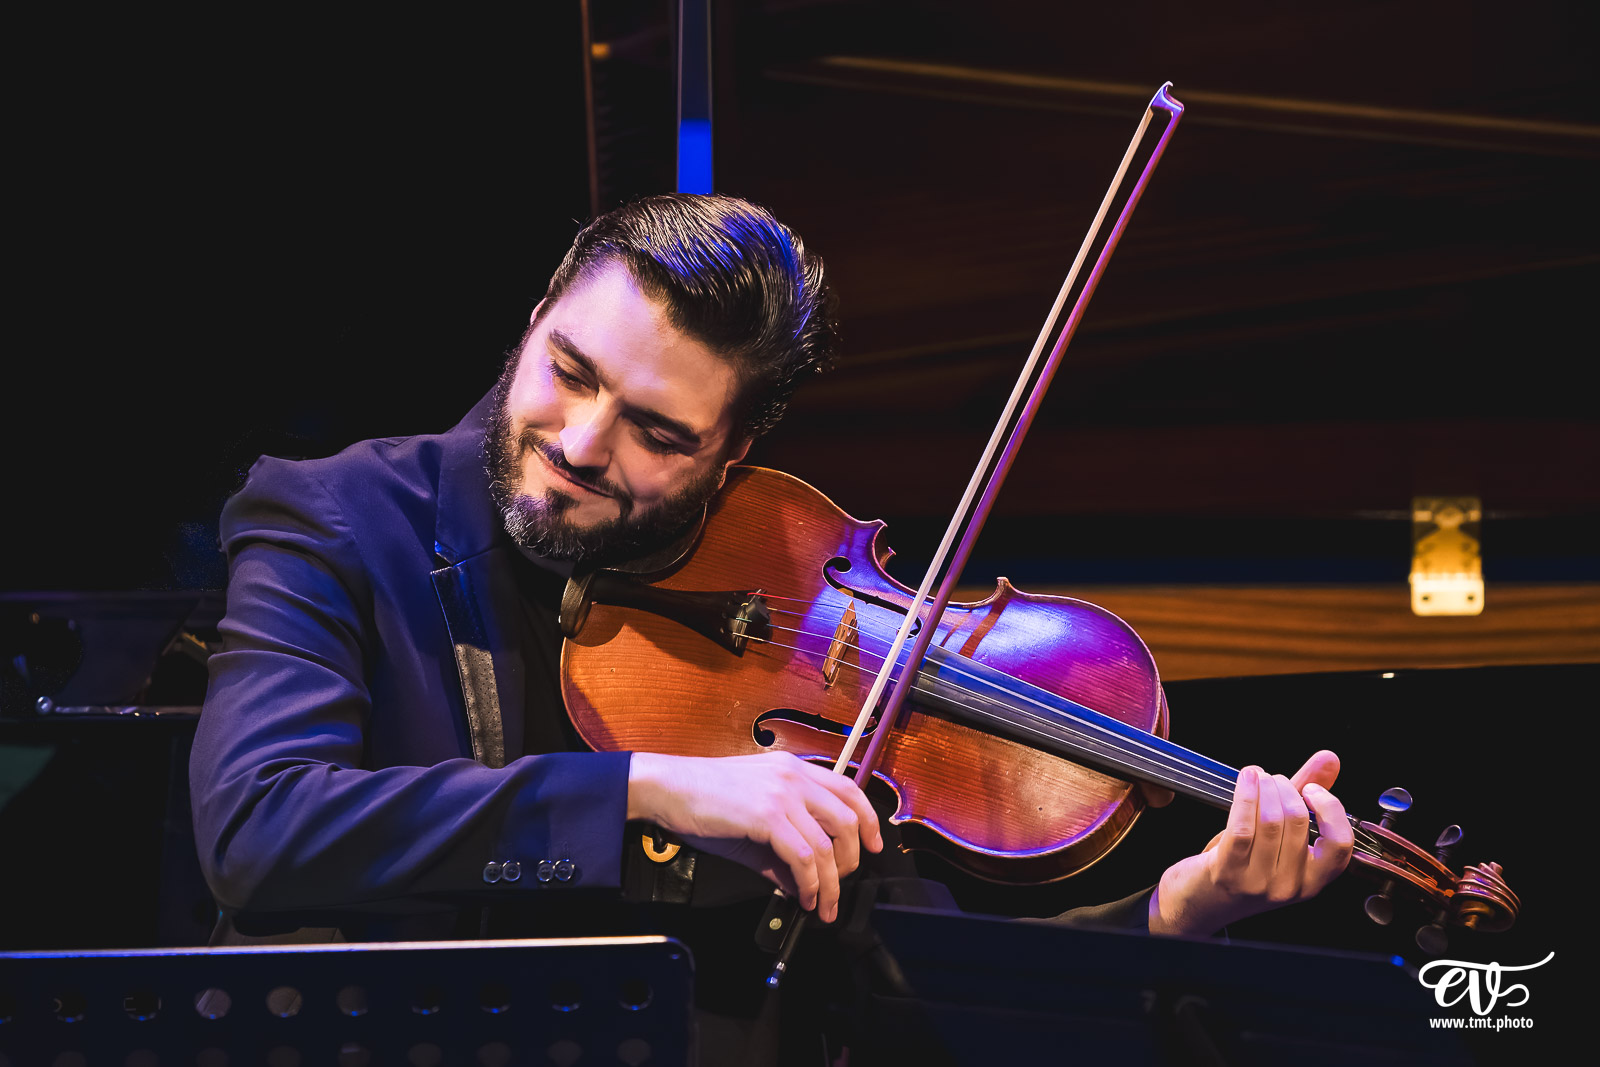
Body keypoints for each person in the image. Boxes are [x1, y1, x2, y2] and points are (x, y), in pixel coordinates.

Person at [191, 193, 1352, 1061]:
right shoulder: (339, 518)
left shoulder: (791, 630)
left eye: (659, 432)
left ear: (733, 452)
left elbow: (920, 987)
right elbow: (259, 825)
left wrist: (1176, 913)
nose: (586, 442)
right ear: (538, 316)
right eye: (570, 370)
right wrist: (651, 786)